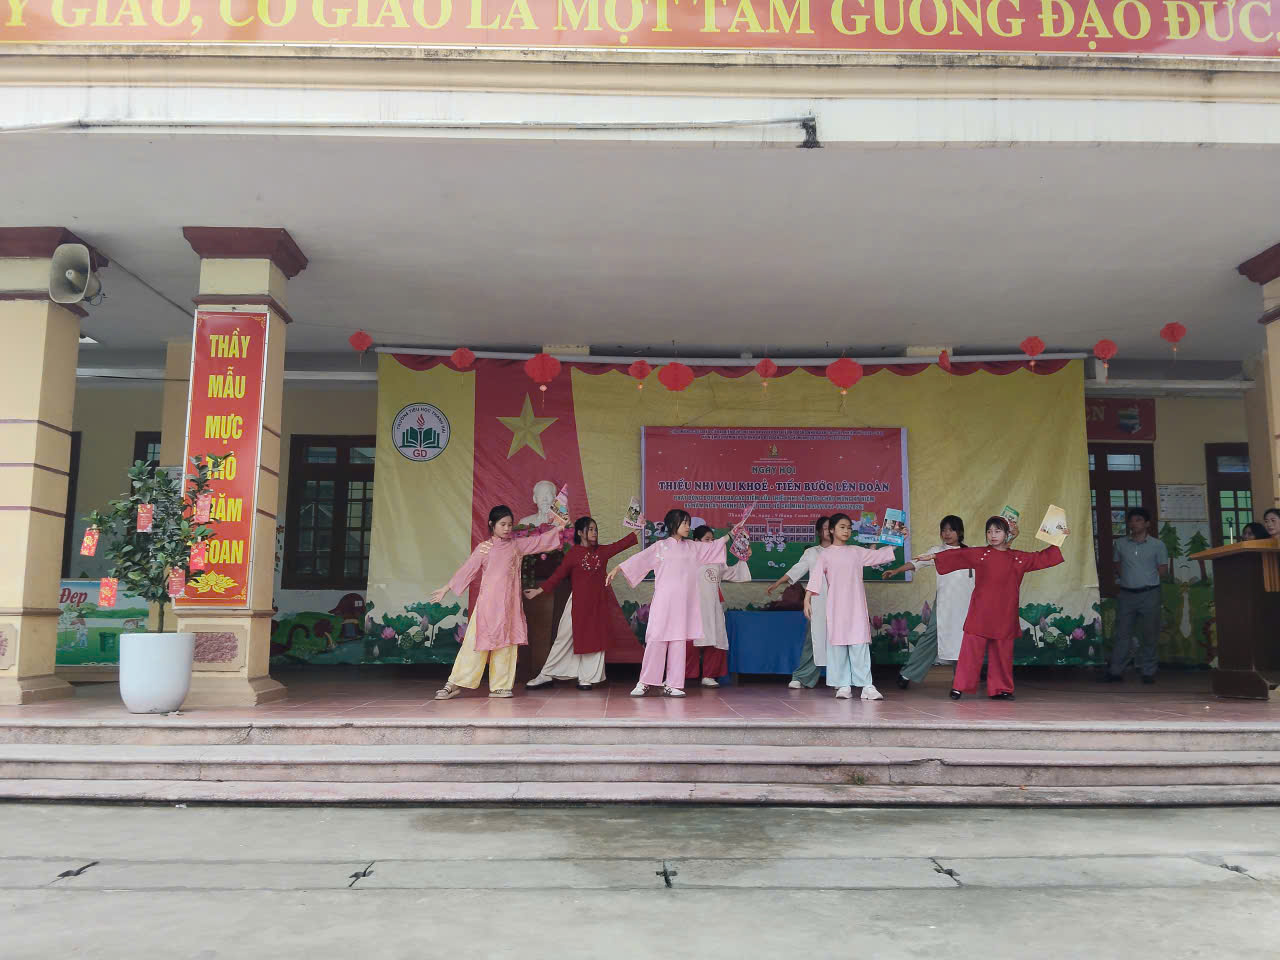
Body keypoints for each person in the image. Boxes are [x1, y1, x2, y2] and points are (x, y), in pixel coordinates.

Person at [429, 504, 567, 700]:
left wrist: (559, 529)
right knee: (474, 646)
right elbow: (468, 570)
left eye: (510, 524)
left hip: (509, 607)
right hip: (487, 607)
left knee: (506, 646)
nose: (507, 528)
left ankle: (501, 686)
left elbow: (538, 542)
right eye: (502, 524)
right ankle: (455, 683)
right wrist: (446, 588)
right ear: (491, 525)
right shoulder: (484, 548)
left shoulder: (516, 546)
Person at [606, 508, 744, 697]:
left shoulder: (693, 547)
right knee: (656, 639)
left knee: (678, 641)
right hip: (663, 602)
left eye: (688, 523)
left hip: (683, 605)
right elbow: (640, 560)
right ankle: (645, 682)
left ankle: (673, 684)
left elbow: (714, 546)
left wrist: (731, 533)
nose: (688, 527)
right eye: (684, 523)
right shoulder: (660, 547)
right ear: (673, 524)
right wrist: (618, 568)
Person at [929, 516, 1064, 700]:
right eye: (989, 531)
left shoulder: (1018, 558)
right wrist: (934, 556)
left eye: (997, 531)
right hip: (980, 612)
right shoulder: (981, 554)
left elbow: (1042, 558)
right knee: (970, 650)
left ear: (1007, 534)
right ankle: (959, 686)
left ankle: (1001, 689)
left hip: (1004, 612)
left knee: (1002, 652)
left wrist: (1058, 538)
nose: (992, 535)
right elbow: (957, 556)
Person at [523, 515, 639, 690]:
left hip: (597, 605)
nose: (594, 532)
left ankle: (586, 678)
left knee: (594, 640)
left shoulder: (602, 551)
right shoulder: (573, 554)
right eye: (590, 529)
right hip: (576, 603)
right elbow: (558, 575)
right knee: (563, 639)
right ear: (579, 533)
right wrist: (539, 591)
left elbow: (621, 544)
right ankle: (546, 674)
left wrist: (636, 531)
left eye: (595, 529)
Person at [804, 512, 897, 700]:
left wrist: (897, 540)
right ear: (832, 530)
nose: (846, 531)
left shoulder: (856, 551)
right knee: (838, 645)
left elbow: (879, 555)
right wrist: (806, 600)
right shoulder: (825, 554)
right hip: (836, 607)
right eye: (842, 527)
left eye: (849, 528)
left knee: (859, 643)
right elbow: (815, 578)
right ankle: (843, 685)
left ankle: (867, 686)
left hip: (856, 606)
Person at [883, 514, 974, 690]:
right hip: (944, 603)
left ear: (960, 532)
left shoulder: (971, 552)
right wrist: (896, 571)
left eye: (951, 530)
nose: (947, 534)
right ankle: (908, 674)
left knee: (963, 639)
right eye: (944, 530)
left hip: (967, 603)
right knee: (931, 636)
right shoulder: (936, 551)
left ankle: (961, 679)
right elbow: (915, 563)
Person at [1100, 506, 1169, 685]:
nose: (1133, 523)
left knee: (1150, 634)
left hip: (1150, 593)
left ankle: (1148, 671)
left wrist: (1145, 579)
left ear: (1147, 524)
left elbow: (1162, 569)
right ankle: (1116, 671)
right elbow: (1117, 564)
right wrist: (1129, 579)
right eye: (1131, 520)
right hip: (1126, 594)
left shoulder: (1158, 545)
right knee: (1122, 634)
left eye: (1138, 520)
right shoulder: (1120, 543)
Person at [765, 516, 832, 689]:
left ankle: (841, 679)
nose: (829, 531)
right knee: (814, 640)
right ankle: (802, 677)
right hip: (818, 602)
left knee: (841, 641)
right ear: (819, 532)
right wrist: (778, 583)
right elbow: (798, 569)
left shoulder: (845, 552)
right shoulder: (812, 552)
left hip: (841, 603)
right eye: (825, 528)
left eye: (832, 527)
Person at [687, 525, 752, 687]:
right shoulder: (688, 558)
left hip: (713, 607)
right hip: (692, 607)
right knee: (689, 641)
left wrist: (743, 557)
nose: (711, 543)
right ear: (696, 541)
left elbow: (732, 573)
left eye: (712, 539)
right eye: (706, 540)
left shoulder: (718, 561)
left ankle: (709, 675)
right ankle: (682, 675)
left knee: (716, 639)